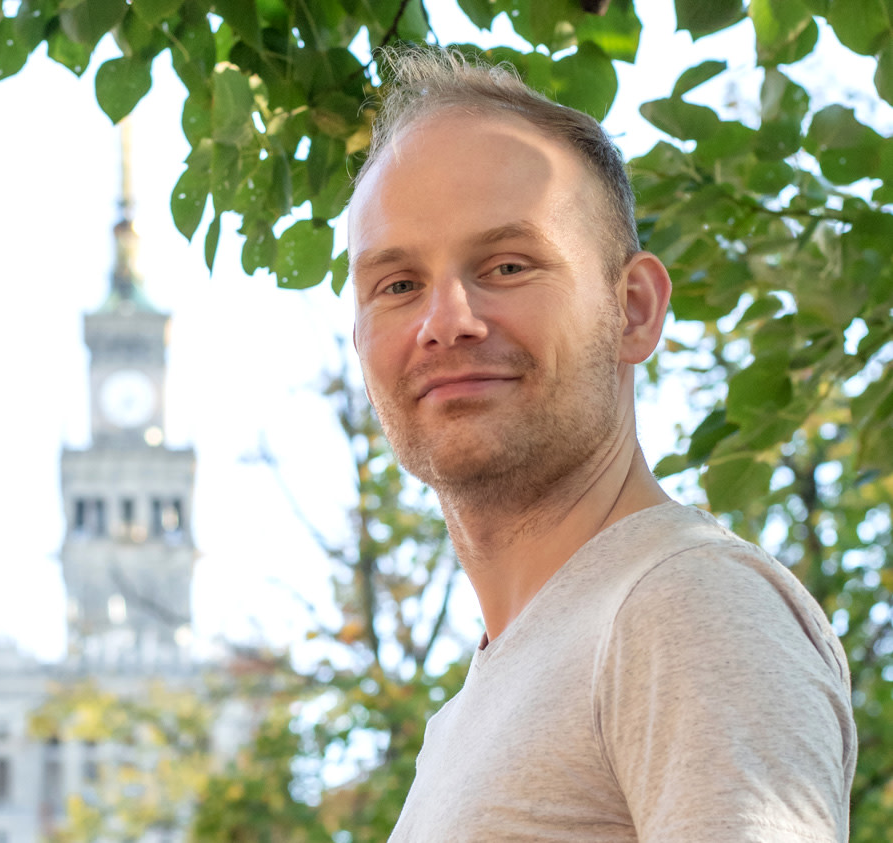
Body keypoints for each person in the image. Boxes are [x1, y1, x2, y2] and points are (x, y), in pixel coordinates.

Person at [348, 47, 857, 842]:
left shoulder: (686, 604)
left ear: (635, 309)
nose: (445, 319)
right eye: (398, 284)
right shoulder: (473, 711)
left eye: (507, 264)